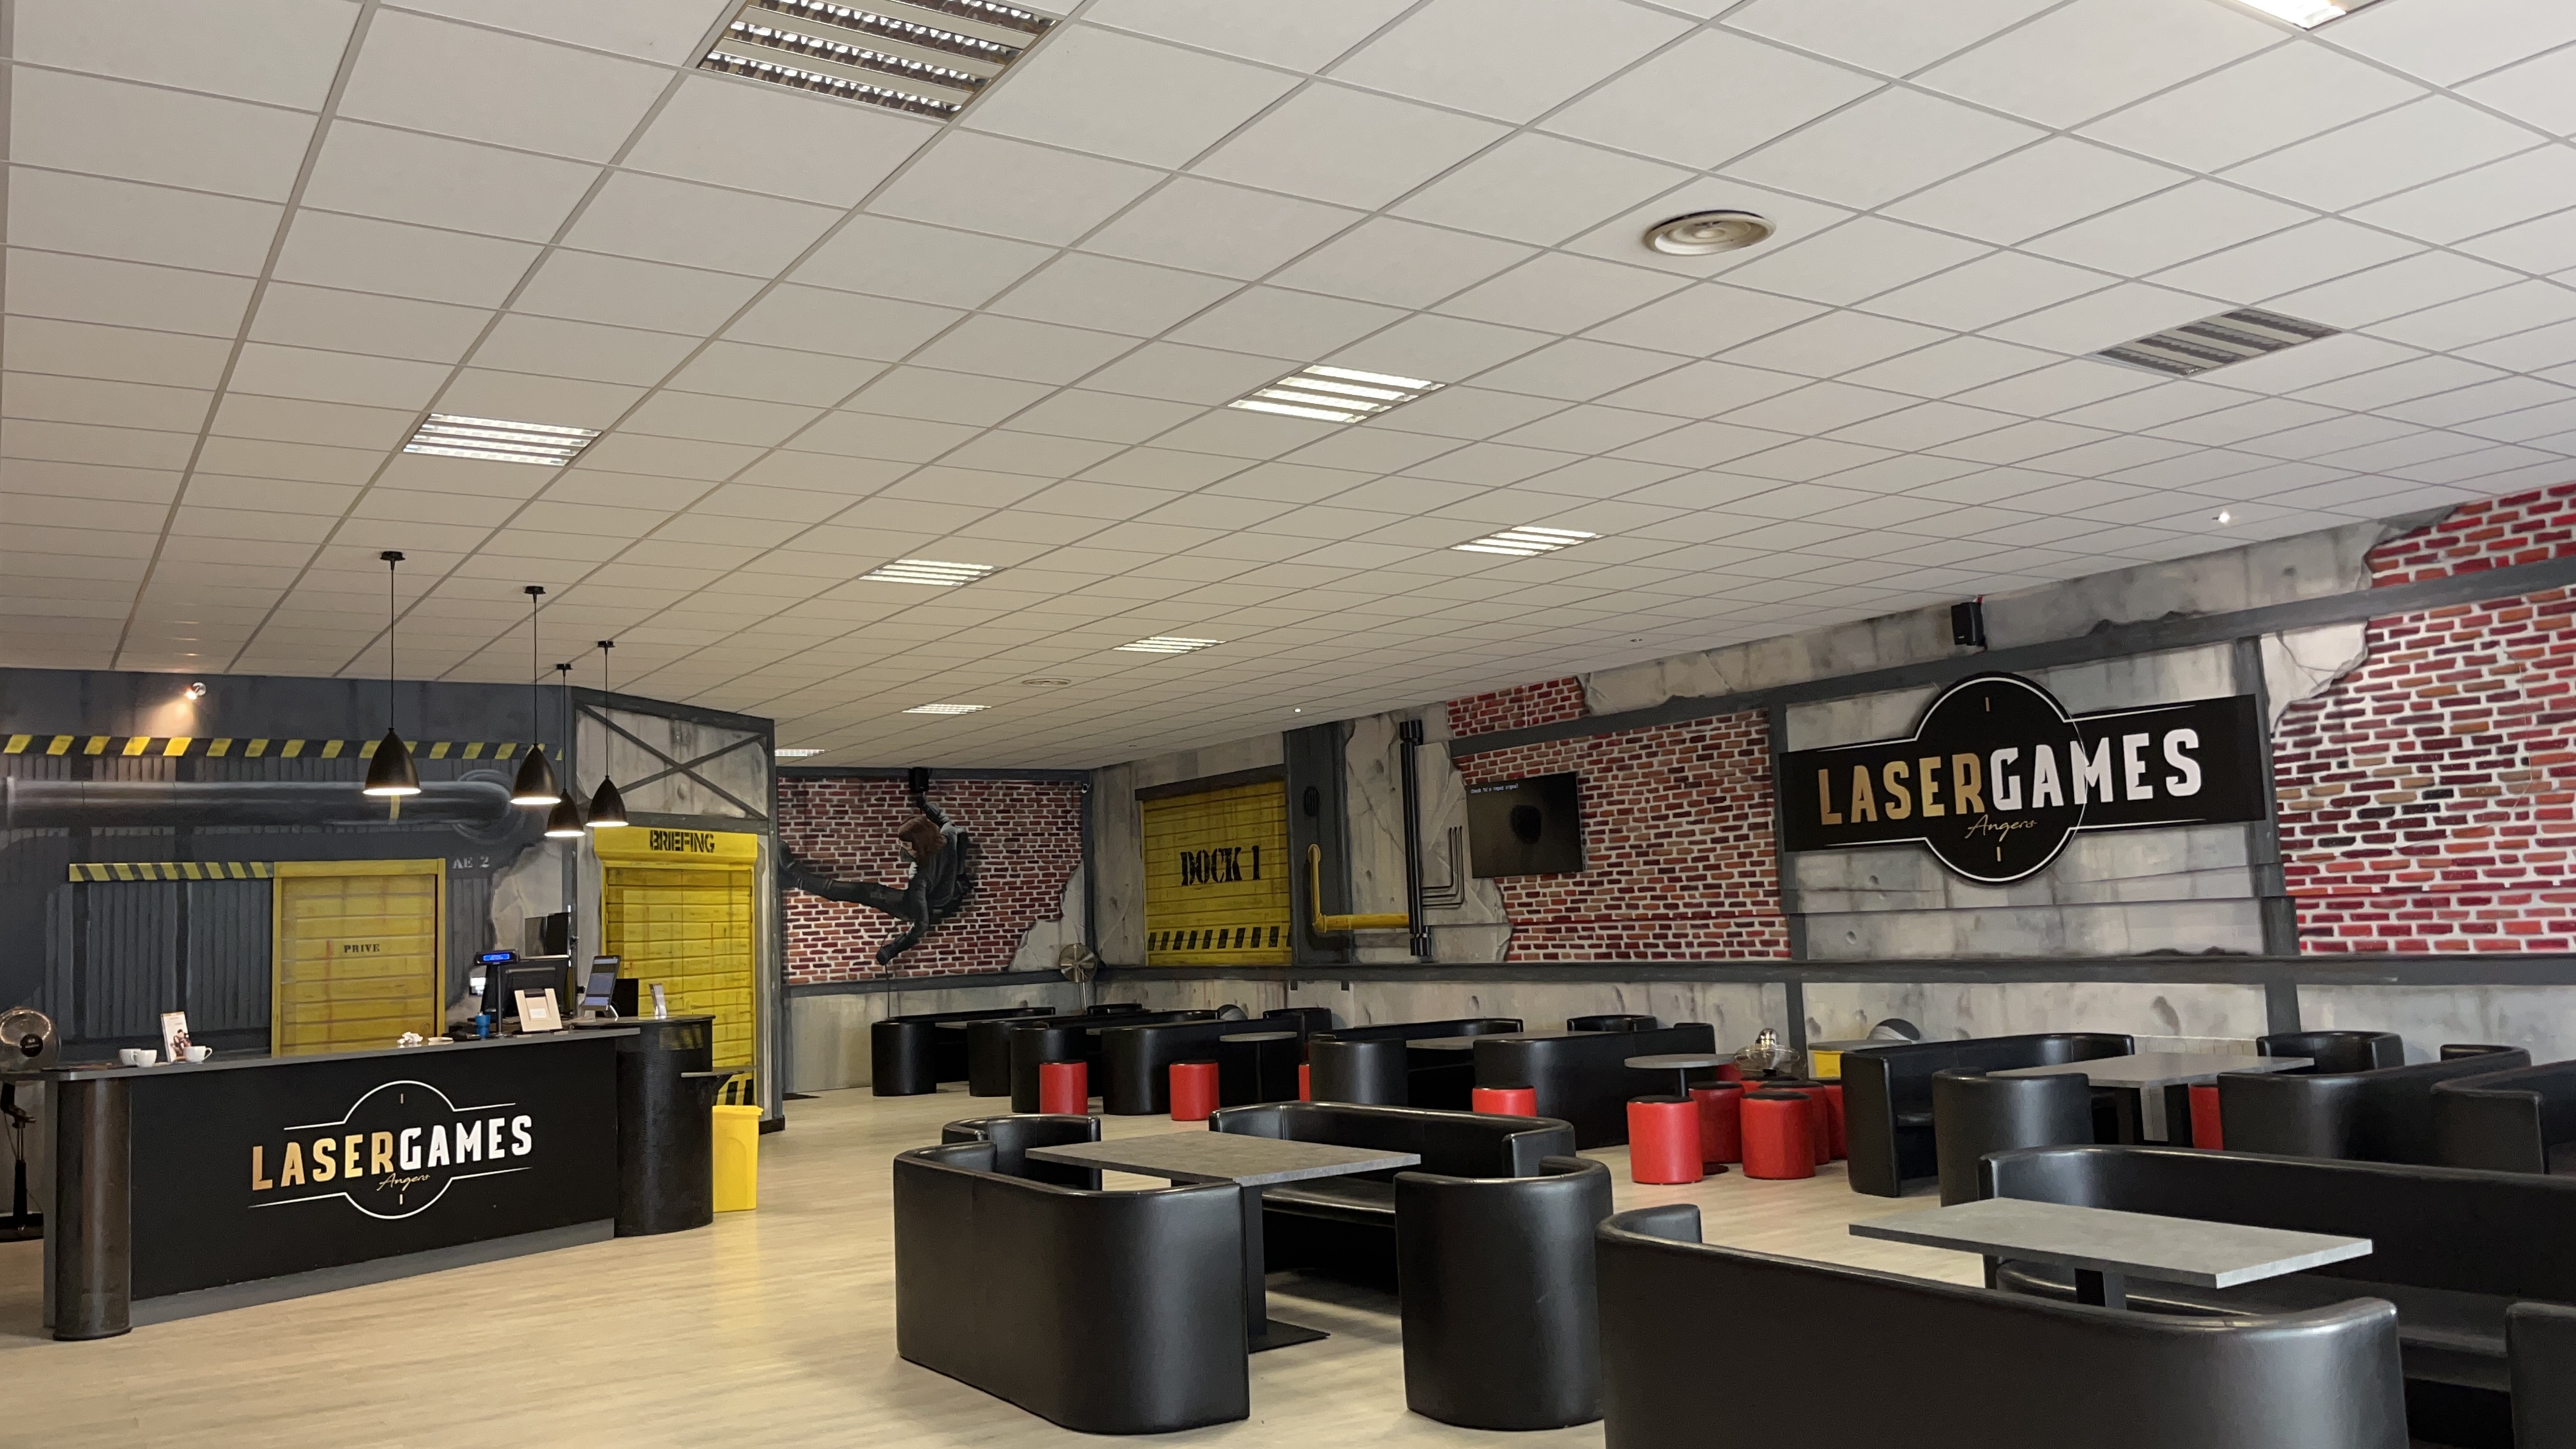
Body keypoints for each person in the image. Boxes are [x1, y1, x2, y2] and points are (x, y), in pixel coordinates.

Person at [781, 767, 972, 965]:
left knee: (863, 892)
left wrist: (892, 949)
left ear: (920, 844)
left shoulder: (919, 876)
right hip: (950, 893)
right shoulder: (949, 835)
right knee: (867, 891)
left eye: (907, 846)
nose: (903, 850)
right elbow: (944, 819)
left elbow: (921, 923)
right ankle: (792, 879)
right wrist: (924, 804)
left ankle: (797, 876)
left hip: (924, 906)